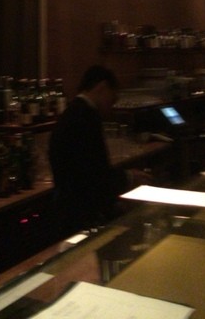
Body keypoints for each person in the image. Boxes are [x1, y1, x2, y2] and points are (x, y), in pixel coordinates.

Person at [48, 65, 150, 236]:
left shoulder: (74, 111)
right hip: (79, 212)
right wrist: (128, 177)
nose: (112, 104)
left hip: (68, 207)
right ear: (102, 87)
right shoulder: (86, 116)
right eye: (113, 97)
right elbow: (92, 174)